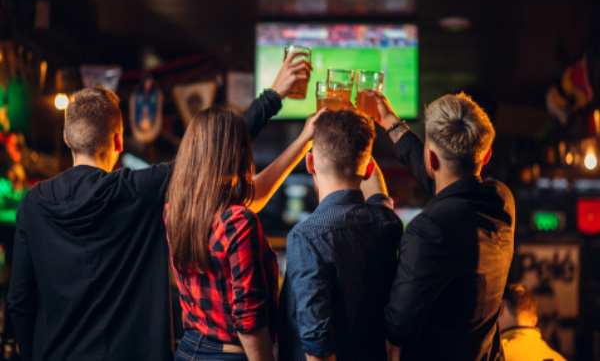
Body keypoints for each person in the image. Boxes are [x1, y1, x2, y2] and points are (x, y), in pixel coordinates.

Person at [7, 52, 310, 361]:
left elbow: (20, 302)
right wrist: (273, 96)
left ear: (66, 139)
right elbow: (212, 150)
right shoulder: (136, 191)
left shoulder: (32, 204)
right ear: (118, 141)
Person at [166, 106, 326, 361]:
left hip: (187, 350)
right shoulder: (238, 221)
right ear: (237, 154)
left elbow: (256, 195)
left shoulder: (175, 211)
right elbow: (249, 323)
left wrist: (304, 140)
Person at [370, 92, 516, 361]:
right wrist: (391, 122)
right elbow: (452, 189)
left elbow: (398, 328)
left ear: (431, 159)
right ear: (486, 156)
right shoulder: (500, 200)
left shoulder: (428, 230)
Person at [278, 110, 403, 361]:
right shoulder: (387, 221)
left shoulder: (305, 238)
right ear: (368, 168)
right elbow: (379, 194)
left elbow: (318, 348)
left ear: (310, 163)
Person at [499, 284, 566, 361]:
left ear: (501, 308)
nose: (549, 326)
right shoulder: (559, 358)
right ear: (534, 321)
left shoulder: (495, 355)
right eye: (544, 319)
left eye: (552, 317)